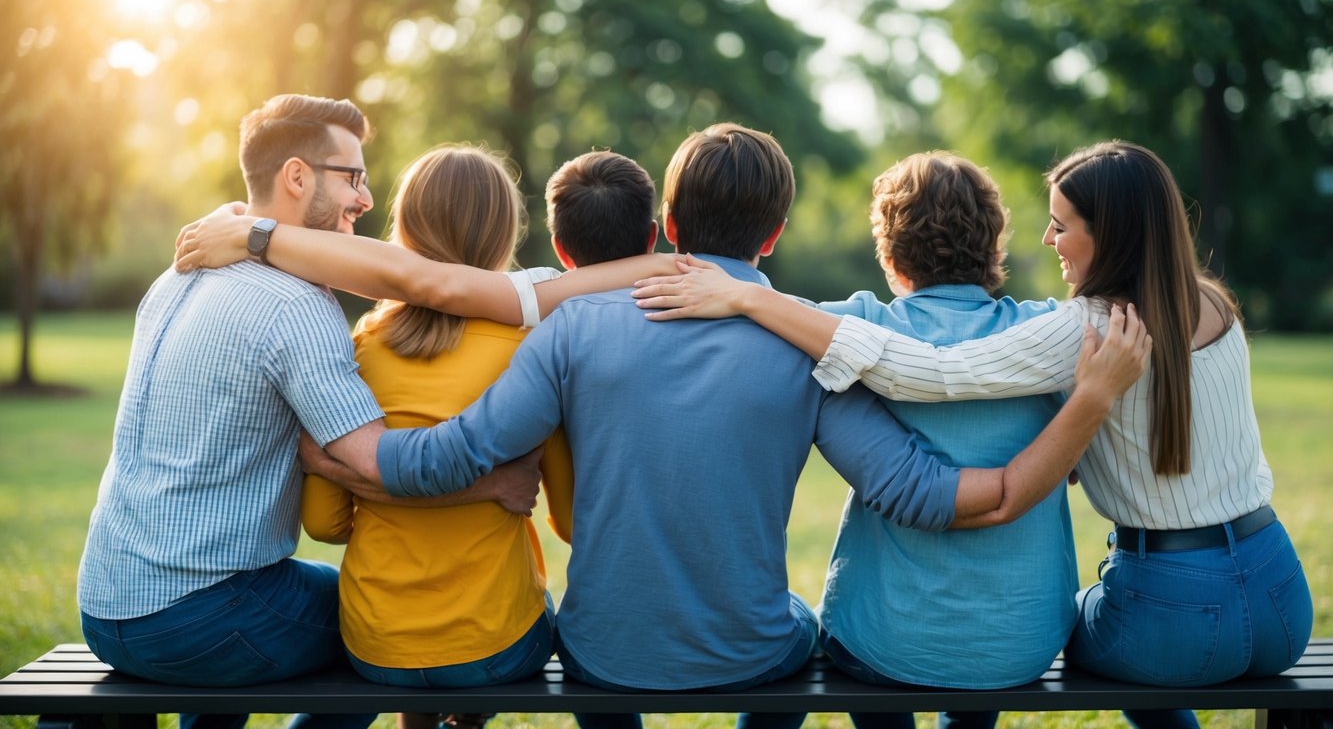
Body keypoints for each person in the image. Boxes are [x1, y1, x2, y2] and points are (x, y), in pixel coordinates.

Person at [297, 123, 1149, 729]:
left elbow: (458, 455)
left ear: (664, 226)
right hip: (749, 654)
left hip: (604, 652)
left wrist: (346, 460)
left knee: (610, 640)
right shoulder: (802, 344)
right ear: (775, 233)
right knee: (801, 631)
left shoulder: (573, 329)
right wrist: (1012, 478)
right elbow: (912, 490)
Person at [632, 141, 1313, 721]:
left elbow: (934, 370)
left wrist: (747, 293)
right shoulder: (1212, 305)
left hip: (1155, 614)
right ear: (991, 246)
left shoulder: (1080, 329)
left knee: (1105, 629)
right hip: (1279, 591)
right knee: (1055, 622)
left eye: (1061, 225)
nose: (1049, 239)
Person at [75, 94, 537, 729]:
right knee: (380, 630)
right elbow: (376, 463)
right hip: (197, 617)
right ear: (298, 176)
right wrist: (496, 482)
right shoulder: (297, 306)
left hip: (105, 603)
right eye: (353, 177)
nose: (367, 200)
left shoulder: (177, 275)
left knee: (302, 599)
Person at [300, 145, 631, 729]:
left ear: (404, 228)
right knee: (522, 635)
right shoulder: (533, 350)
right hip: (494, 647)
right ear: (503, 234)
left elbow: (325, 524)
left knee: (414, 667)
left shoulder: (360, 347)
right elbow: (571, 523)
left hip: (377, 642)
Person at [793, 152, 1078, 729]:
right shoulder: (1048, 332)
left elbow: (769, 312)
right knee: (975, 682)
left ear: (892, 260)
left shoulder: (859, 326)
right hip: (1018, 642)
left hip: (881, 638)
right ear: (994, 249)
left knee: (860, 643)